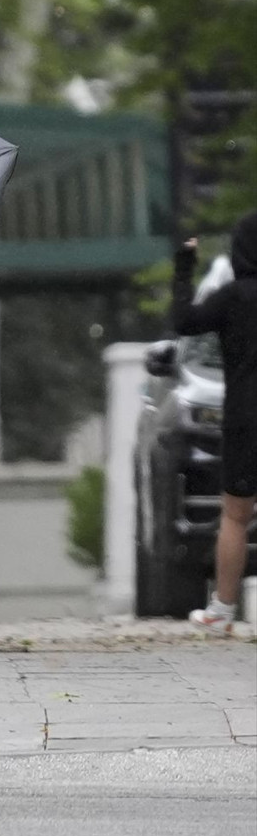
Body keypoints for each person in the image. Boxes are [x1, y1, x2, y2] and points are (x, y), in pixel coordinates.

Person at [171, 210, 257, 635]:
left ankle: (222, 609)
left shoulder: (233, 297)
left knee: (236, 514)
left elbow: (185, 321)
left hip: (244, 417)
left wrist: (184, 268)